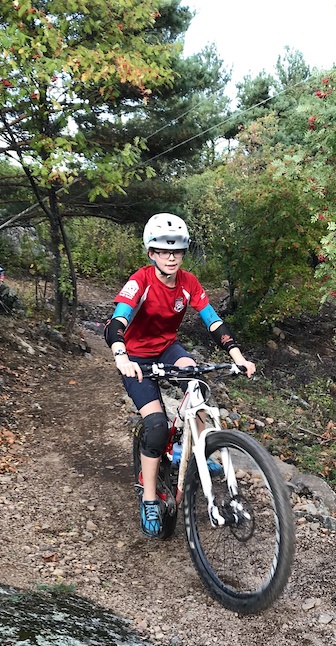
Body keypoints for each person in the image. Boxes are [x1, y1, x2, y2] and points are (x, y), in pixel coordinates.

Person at [105, 213, 256, 538]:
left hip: (168, 349)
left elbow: (213, 321)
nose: (170, 256)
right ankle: (148, 498)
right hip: (136, 358)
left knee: (197, 384)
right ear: (151, 253)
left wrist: (237, 356)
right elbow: (116, 322)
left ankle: (198, 450)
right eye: (163, 250)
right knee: (157, 426)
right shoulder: (141, 281)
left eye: (176, 250)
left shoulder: (188, 283)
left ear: (183, 252)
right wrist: (121, 356)